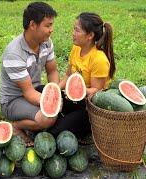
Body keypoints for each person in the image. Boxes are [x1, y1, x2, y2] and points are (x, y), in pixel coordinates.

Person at [47, 12, 116, 141]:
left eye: (77, 30)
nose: (73, 33)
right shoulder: (76, 48)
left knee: (53, 132)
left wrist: (75, 92)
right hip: (74, 100)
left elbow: (97, 92)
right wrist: (55, 89)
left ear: (90, 35)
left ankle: (81, 127)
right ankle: (64, 118)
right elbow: (68, 75)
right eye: (74, 29)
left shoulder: (99, 60)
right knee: (41, 90)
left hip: (89, 110)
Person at [0, 2, 59, 146]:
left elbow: (52, 71)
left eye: (52, 25)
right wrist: (52, 103)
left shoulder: (46, 43)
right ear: (33, 25)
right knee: (48, 118)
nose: (51, 30)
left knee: (59, 110)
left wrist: (55, 93)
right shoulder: (14, 53)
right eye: (48, 25)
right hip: (13, 100)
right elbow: (28, 92)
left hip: (34, 91)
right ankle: (17, 126)